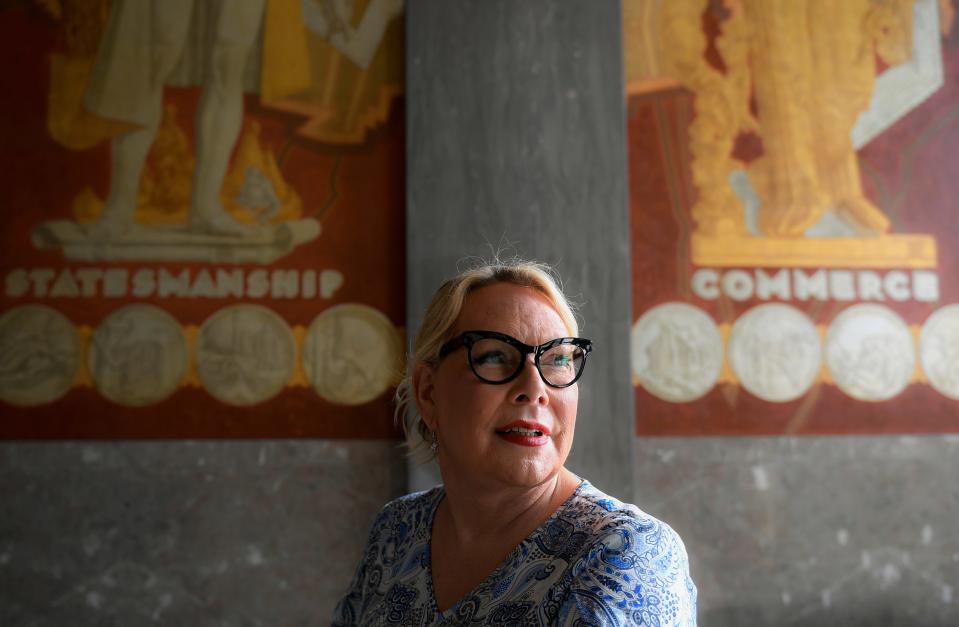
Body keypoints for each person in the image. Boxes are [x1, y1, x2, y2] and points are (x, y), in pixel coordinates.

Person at [332, 261, 697, 626]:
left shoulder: (623, 553)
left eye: (557, 359)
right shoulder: (397, 530)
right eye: (494, 357)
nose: (534, 389)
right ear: (428, 393)